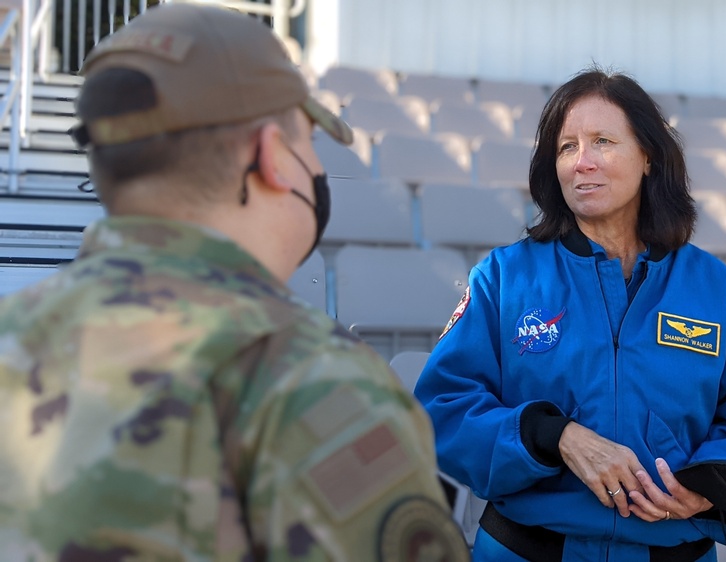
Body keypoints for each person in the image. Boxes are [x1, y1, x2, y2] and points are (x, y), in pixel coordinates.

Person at [0, 4, 468, 561]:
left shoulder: (13, 329)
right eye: (309, 146)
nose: (317, 172)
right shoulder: (311, 376)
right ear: (271, 155)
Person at [414, 68, 726, 562]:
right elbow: (442, 408)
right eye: (567, 147)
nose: (583, 163)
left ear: (648, 157)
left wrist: (714, 486)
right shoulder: (504, 276)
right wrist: (553, 436)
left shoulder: (714, 289)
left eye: (602, 141)